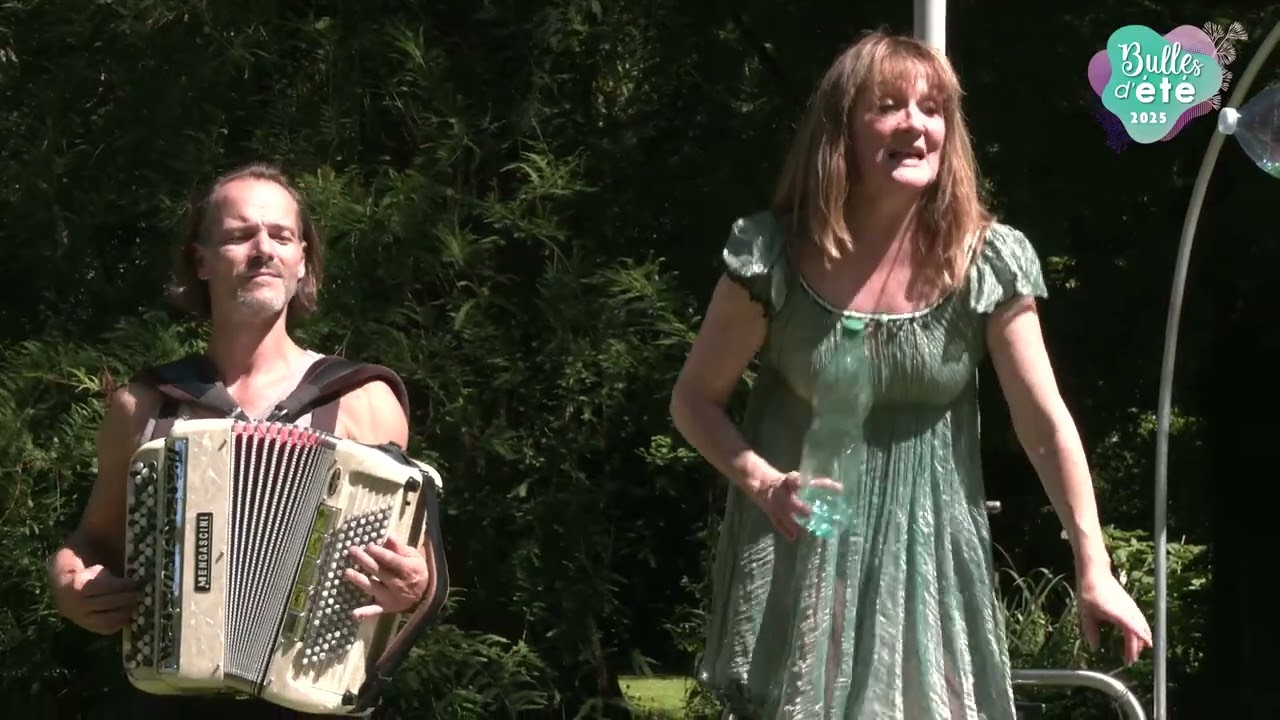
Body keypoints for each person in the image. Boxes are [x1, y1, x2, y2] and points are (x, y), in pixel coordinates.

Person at [668, 31, 1152, 719]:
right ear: (840, 130)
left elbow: (1045, 426)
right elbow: (694, 399)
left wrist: (1093, 564)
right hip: (809, 555)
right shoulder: (773, 256)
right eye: (888, 105)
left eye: (932, 108)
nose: (914, 124)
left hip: (933, 564)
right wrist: (766, 484)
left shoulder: (987, 260)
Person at [46, 163, 432, 718]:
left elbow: (418, 571)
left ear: (302, 261)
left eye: (281, 236)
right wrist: (70, 585)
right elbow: (91, 542)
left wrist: (411, 589)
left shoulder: (362, 399)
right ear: (201, 261)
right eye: (239, 235)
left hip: (312, 698)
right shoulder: (145, 406)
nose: (263, 249)